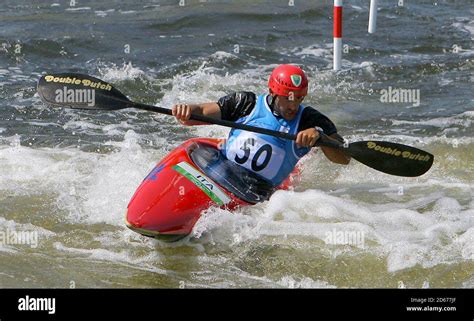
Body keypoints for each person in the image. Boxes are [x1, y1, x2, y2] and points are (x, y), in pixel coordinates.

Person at [172, 64, 350, 189]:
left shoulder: (310, 120)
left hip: (256, 192)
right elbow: (200, 112)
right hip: (221, 173)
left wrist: (322, 138)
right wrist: (186, 110)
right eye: (287, 98)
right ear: (272, 92)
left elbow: (344, 158)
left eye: (299, 98)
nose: (293, 106)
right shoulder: (245, 103)